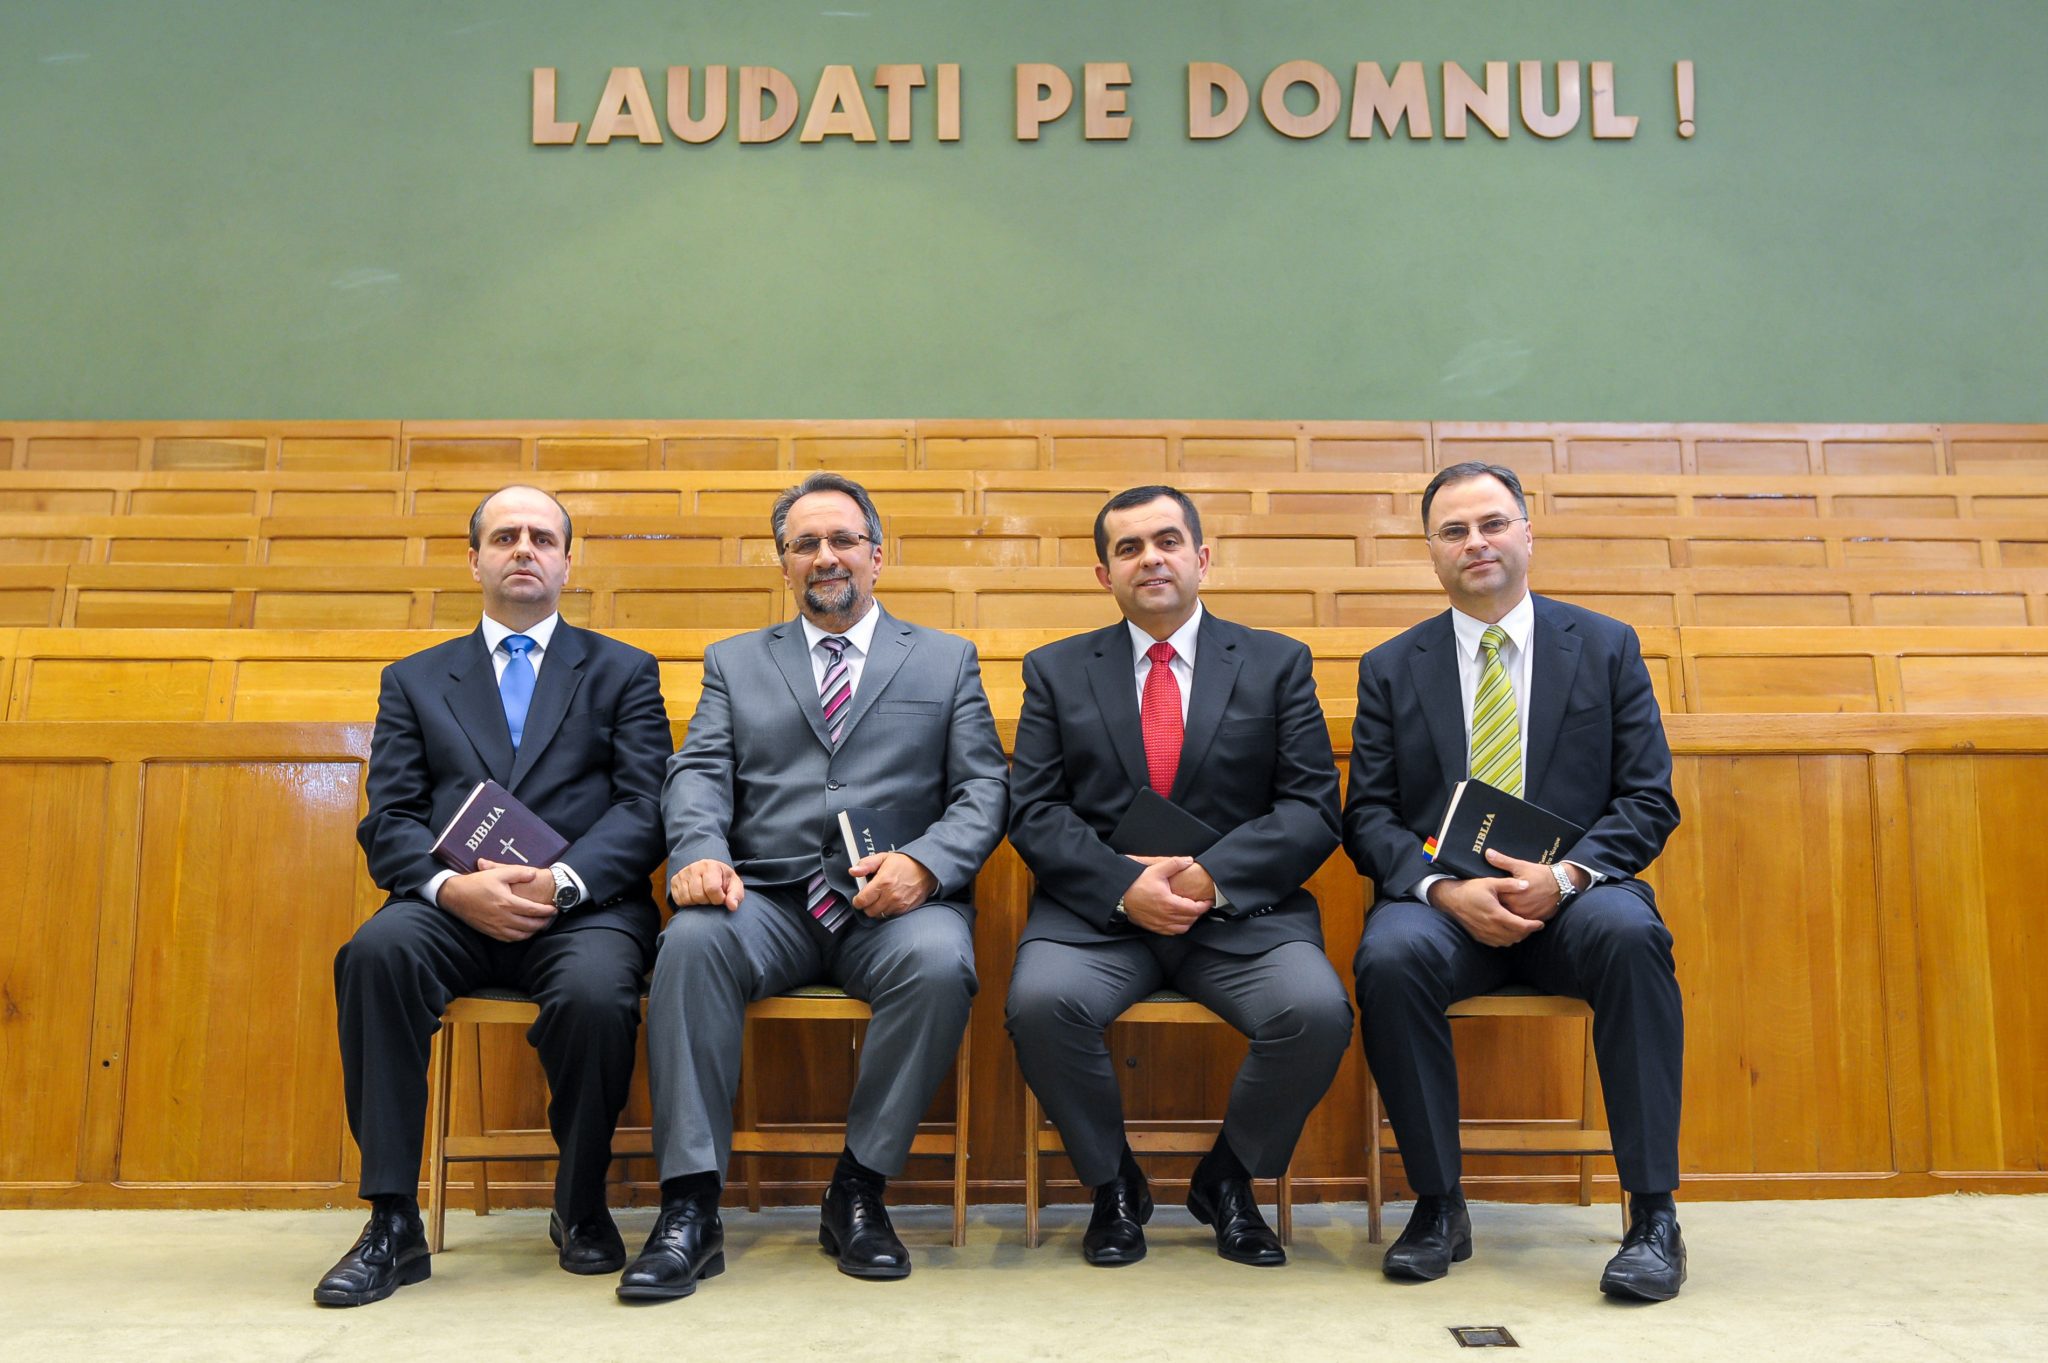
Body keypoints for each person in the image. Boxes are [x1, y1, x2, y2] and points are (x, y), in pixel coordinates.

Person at [620, 472, 1008, 1301]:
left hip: (894, 906)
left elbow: (983, 788)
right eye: (805, 544)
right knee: (688, 942)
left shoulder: (945, 659)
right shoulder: (734, 661)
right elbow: (697, 773)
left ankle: (858, 1189)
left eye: (842, 539)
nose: (825, 556)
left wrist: (926, 863)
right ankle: (690, 1206)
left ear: (878, 553)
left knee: (941, 962)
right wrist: (699, 851)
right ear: (784, 562)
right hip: (766, 901)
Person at [319, 485, 671, 1306]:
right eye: (505, 536)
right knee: (374, 954)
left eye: (542, 537)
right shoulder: (414, 680)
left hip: (582, 907)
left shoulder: (623, 670)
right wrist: (451, 887)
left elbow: (645, 807)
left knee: (597, 994)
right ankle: (391, 1219)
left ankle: (580, 1203)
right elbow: (390, 818)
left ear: (567, 562)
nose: (524, 549)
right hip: (452, 906)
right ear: (473, 557)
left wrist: (562, 880)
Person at [1343, 461, 1686, 1300]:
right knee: (1388, 954)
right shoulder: (1390, 666)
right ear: (1431, 550)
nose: (1476, 542)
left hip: (1576, 900)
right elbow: (1369, 816)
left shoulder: (1606, 645)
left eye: (1493, 523)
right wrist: (1441, 890)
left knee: (1634, 935)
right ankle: (1438, 1204)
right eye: (1454, 530)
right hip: (1446, 908)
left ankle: (1653, 1215)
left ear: (1527, 533)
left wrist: (1564, 876)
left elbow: (1649, 798)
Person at [1004, 485, 1353, 1269]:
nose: (1150, 559)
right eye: (1128, 548)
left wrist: (1212, 876)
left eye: (1167, 541)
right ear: (1105, 574)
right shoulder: (1056, 670)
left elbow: (1310, 809)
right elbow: (1034, 810)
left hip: (1241, 917)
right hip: (1099, 918)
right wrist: (1121, 885)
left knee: (1315, 1011)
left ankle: (1229, 1177)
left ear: (1203, 557)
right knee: (1040, 1004)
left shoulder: (1277, 663)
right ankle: (1113, 1184)